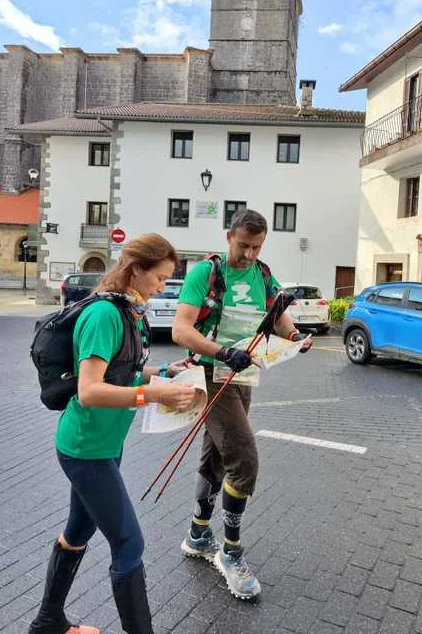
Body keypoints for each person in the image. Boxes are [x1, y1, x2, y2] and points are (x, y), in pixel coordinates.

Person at [29, 233, 197, 634]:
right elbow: (89, 391)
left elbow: (122, 372)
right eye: (160, 278)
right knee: (129, 544)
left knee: (79, 530)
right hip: (85, 449)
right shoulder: (105, 315)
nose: (163, 287)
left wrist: (163, 372)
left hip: (104, 446)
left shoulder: (129, 311)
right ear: (136, 270)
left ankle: (48, 621)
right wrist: (153, 394)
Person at [172, 210, 311, 599]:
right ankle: (230, 552)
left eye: (257, 247)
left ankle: (198, 533)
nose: (249, 254)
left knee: (218, 455)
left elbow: (278, 316)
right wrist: (221, 352)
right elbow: (180, 329)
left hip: (244, 375)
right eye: (243, 245)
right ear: (228, 236)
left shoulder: (263, 274)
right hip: (210, 373)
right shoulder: (207, 273)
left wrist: (295, 336)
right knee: (244, 459)